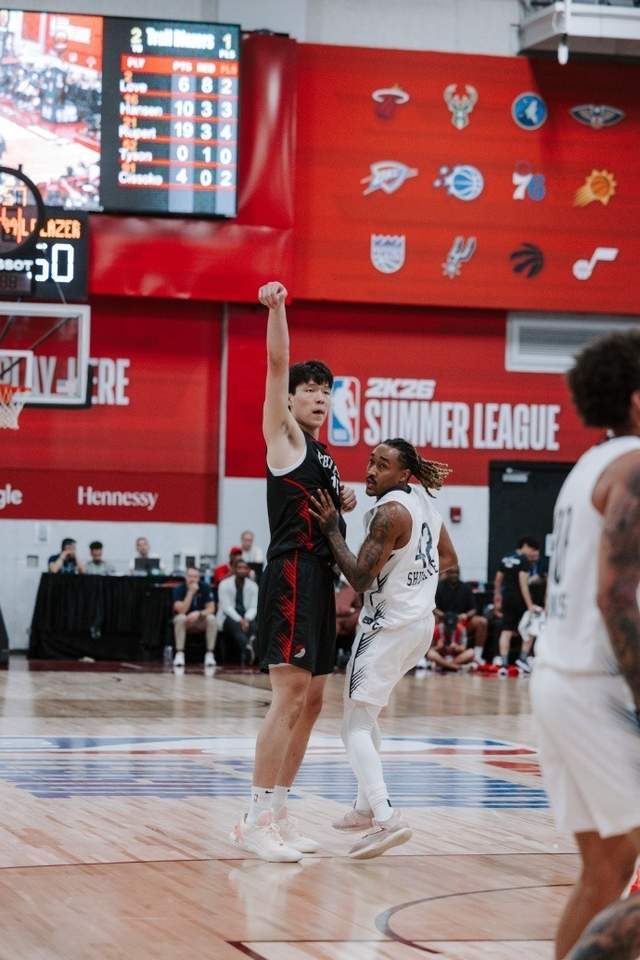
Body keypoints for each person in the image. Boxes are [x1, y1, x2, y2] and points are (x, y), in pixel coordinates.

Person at [229, 280, 357, 863]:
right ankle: (254, 820)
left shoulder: (324, 456)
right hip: (292, 574)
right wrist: (278, 309)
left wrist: (344, 503)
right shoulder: (282, 437)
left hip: (322, 579)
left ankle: (279, 812)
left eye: (326, 391)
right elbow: (277, 361)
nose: (319, 398)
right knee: (288, 696)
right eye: (309, 390)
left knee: (313, 701)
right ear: (289, 399)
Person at [530, 329, 640, 960]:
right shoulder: (633, 468)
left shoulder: (589, 466)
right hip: (599, 689)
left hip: (560, 678)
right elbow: (614, 596)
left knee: (605, 870)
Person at [310, 437, 457, 859]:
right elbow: (449, 558)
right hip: (419, 625)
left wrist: (332, 530)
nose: (371, 471)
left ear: (403, 474)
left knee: (353, 725)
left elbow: (358, 578)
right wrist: (415, 585)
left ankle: (386, 816)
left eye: (383, 465)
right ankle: (362, 807)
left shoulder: (389, 513)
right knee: (366, 714)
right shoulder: (424, 502)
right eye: (371, 461)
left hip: (387, 627)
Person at [493, 536, 542, 675]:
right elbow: (523, 584)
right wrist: (530, 605)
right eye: (532, 549)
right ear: (525, 546)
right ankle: (523, 659)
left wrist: (497, 599)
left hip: (507, 599)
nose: (532, 553)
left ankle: (503, 664)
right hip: (519, 599)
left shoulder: (506, 558)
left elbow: (498, 581)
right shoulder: (524, 560)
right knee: (530, 629)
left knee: (506, 631)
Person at [435, 565, 488, 662]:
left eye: (457, 572)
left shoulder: (466, 587)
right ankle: (427, 654)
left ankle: (477, 655)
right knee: (430, 620)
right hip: (443, 621)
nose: (454, 575)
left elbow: (474, 609)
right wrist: (441, 614)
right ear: (447, 573)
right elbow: (433, 607)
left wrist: (466, 615)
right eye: (452, 572)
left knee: (482, 622)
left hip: (461, 621)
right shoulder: (439, 587)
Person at [172, 566, 217, 670]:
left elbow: (211, 608)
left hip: (200, 620)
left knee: (212, 619)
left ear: (199, 578)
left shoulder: (205, 587)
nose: (192, 579)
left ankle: (210, 654)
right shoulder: (179, 589)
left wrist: (199, 613)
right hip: (185, 621)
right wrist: (190, 593)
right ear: (185, 577)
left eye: (195, 577)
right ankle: (179, 654)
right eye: (190, 576)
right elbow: (181, 610)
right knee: (180, 618)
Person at [217, 557, 258, 665]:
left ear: (248, 570)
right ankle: (248, 649)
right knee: (233, 623)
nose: (242, 570)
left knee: (254, 624)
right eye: (239, 568)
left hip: (246, 616)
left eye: (245, 568)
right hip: (228, 617)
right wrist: (241, 620)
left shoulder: (253, 586)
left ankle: (251, 647)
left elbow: (253, 607)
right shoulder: (224, 584)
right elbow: (227, 608)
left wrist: (246, 619)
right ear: (234, 569)